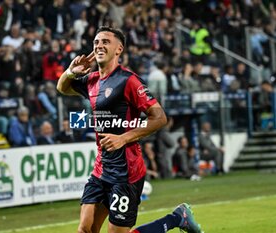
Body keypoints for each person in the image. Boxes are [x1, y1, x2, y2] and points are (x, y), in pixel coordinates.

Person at [57, 26, 202, 233]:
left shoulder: (128, 80)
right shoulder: (92, 80)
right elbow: (62, 88)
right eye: (96, 42)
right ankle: (178, 218)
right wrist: (71, 72)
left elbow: (159, 117)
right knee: (85, 229)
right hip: (102, 168)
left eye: (106, 42)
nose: (99, 45)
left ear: (119, 49)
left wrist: (123, 138)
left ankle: (177, 218)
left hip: (126, 172)